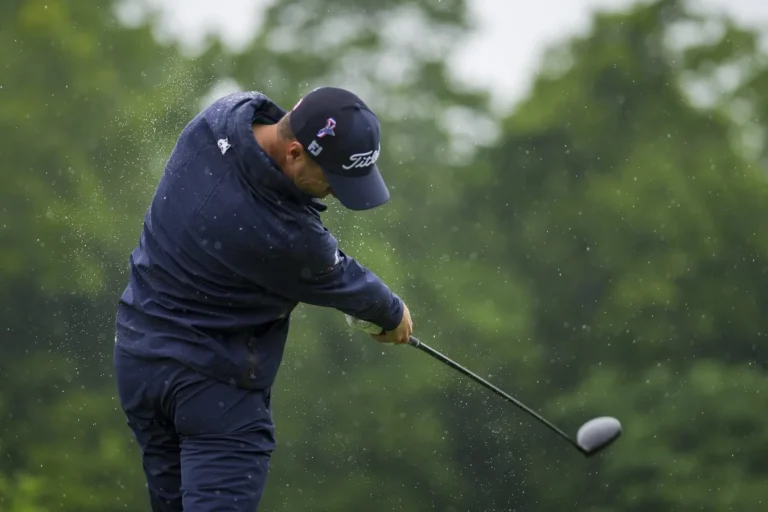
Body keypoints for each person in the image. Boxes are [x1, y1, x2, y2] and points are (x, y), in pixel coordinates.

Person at [113, 86, 413, 511]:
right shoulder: (288, 236)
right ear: (293, 153)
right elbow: (348, 282)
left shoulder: (217, 117)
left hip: (139, 363)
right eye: (333, 180)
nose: (334, 194)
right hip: (212, 392)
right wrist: (393, 312)